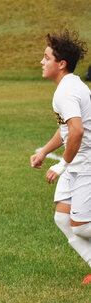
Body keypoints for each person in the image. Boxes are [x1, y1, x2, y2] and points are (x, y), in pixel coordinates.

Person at [30, 31, 91, 285]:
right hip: (76, 163)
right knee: (63, 218)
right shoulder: (72, 85)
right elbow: (67, 128)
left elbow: (77, 131)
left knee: (80, 226)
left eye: (46, 57)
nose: (42, 62)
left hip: (85, 164)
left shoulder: (65, 91)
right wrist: (44, 150)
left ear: (61, 63)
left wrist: (62, 165)